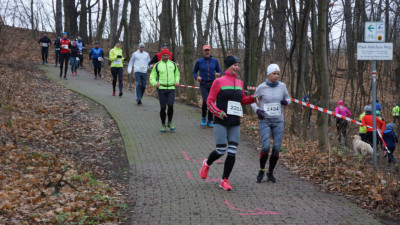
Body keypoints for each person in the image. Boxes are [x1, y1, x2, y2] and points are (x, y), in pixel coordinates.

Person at [199, 55, 258, 191]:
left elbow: (242, 100)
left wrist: (253, 98)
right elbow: (209, 101)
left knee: (232, 152)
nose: (237, 67)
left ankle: (224, 180)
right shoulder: (218, 81)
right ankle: (207, 163)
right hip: (221, 121)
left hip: (235, 121)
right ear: (228, 66)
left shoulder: (240, 83)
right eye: (234, 65)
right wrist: (218, 112)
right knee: (221, 150)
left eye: (238, 65)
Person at [250, 64, 290, 183]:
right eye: (274, 74)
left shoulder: (282, 86)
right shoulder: (261, 87)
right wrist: (257, 110)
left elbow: (288, 98)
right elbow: (252, 101)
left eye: (278, 74)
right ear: (268, 74)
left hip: (278, 121)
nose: (276, 76)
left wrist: (286, 102)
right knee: (266, 147)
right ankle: (261, 170)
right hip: (265, 121)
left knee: (277, 148)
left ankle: (270, 172)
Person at [149, 49, 180, 132]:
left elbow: (177, 75)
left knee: (170, 105)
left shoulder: (173, 64)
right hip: (161, 88)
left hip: (171, 88)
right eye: (164, 55)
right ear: (161, 56)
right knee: (163, 107)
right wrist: (155, 83)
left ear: (169, 56)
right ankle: (163, 124)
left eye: (167, 55)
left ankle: (169, 122)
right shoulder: (157, 65)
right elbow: (152, 76)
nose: (166, 57)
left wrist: (177, 81)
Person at [192, 44, 222, 127]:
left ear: (210, 51)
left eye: (208, 50)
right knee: (206, 101)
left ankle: (210, 120)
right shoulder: (199, 61)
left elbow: (220, 71)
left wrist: (218, 74)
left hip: (213, 84)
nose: (207, 52)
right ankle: (203, 118)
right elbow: (194, 72)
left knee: (211, 102)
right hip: (203, 84)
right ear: (203, 51)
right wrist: (197, 77)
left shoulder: (215, 61)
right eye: (205, 50)